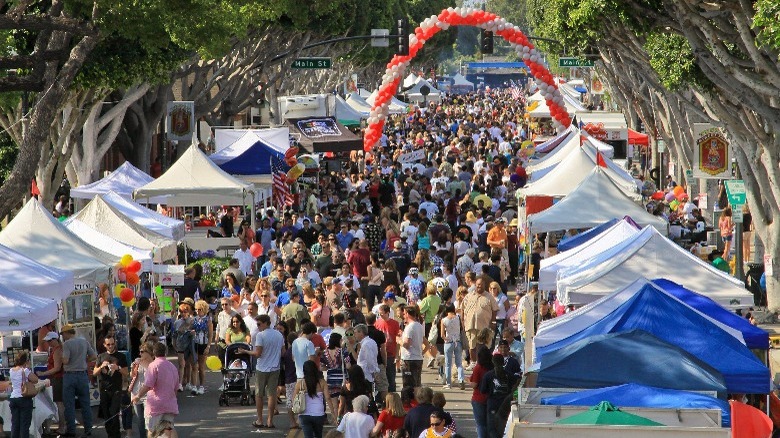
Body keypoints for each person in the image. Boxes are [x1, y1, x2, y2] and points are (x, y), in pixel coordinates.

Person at [237, 314, 284, 429]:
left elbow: (258, 353)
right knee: (272, 394)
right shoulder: (279, 334)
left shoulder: (260, 335)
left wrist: (246, 351)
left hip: (262, 368)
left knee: (259, 394)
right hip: (275, 367)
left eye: (259, 324)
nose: (257, 326)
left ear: (265, 323)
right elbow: (283, 352)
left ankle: (260, 419)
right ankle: (270, 420)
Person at [131, 342, 179, 436]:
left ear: (154, 352)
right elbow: (176, 387)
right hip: (170, 404)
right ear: (165, 352)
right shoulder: (172, 367)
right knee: (169, 429)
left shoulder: (153, 366)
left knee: (152, 431)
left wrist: (138, 396)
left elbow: (148, 385)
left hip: (155, 405)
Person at [61, 323, 97, 437]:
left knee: (69, 404)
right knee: (85, 403)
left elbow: (66, 361)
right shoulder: (84, 342)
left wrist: (63, 359)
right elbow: (94, 356)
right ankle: (88, 428)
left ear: (67, 333)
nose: (63, 336)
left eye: (63, 334)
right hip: (82, 374)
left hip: (70, 375)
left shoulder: (66, 344)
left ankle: (71, 430)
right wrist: (84, 360)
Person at [293, 360, 338, 438]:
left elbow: (294, 398)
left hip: (304, 414)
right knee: (318, 435)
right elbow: (327, 398)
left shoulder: (300, 383)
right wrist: (333, 413)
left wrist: (296, 413)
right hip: (319, 414)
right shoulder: (322, 382)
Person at [480, 353, 518, 437]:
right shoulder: (509, 375)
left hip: (492, 404)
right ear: (503, 362)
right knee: (503, 427)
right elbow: (516, 386)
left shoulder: (488, 375)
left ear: (493, 362)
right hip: (505, 404)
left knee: (492, 428)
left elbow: (483, 390)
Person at [35, 331, 65, 433]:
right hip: (57, 378)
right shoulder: (57, 349)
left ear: (54, 340)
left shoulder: (57, 351)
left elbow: (57, 368)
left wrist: (43, 374)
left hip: (58, 378)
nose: (48, 343)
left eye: (49, 341)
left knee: (60, 404)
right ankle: (62, 426)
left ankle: (62, 427)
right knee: (60, 403)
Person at [9, 351, 40, 438]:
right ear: (26, 361)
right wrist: (28, 368)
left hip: (13, 397)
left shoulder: (11, 370)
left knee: (15, 424)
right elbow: (35, 380)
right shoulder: (25, 370)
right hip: (23, 397)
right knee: (24, 425)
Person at [129, 342, 154, 438]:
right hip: (135, 393)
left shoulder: (153, 364)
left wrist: (143, 364)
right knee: (139, 420)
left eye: (142, 352)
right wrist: (132, 368)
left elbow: (152, 376)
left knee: (148, 420)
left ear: (149, 352)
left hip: (147, 395)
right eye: (140, 352)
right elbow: (132, 376)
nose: (140, 354)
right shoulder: (138, 362)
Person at [375, 304, 401, 393]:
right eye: (379, 314)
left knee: (391, 377)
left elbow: (397, 340)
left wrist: (397, 355)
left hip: (390, 354)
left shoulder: (395, 324)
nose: (380, 315)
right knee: (380, 378)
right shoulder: (377, 323)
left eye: (382, 314)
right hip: (380, 354)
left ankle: (392, 396)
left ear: (388, 313)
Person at [469, 348, 493, 438]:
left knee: (480, 424)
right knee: (489, 424)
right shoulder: (493, 367)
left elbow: (474, 384)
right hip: (491, 398)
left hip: (478, 398)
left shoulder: (478, 368)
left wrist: (468, 381)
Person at [440, 304, 464, 390]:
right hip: (457, 342)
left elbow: (442, 335)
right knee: (459, 363)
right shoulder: (458, 317)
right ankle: (461, 380)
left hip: (448, 342)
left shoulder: (444, 320)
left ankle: (448, 383)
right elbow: (462, 328)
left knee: (448, 364)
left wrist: (446, 338)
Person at [173, 301, 196, 393]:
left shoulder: (192, 321)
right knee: (181, 364)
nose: (183, 313)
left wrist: (193, 333)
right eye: (181, 311)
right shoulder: (177, 322)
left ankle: (190, 383)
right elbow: (174, 335)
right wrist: (174, 345)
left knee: (190, 364)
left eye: (185, 311)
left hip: (190, 345)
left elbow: (196, 333)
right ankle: (180, 384)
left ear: (188, 311)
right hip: (180, 345)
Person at [192, 300, 213, 395]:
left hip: (203, 344)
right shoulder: (194, 319)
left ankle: (201, 386)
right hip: (194, 343)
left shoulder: (208, 320)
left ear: (204, 310)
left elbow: (210, 335)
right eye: (196, 309)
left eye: (199, 309)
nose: (197, 311)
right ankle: (194, 385)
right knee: (194, 366)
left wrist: (208, 346)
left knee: (201, 366)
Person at [401, 306, 425, 390]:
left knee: (408, 385)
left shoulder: (410, 327)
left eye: (404, 313)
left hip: (409, 359)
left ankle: (408, 401)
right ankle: (417, 400)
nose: (403, 315)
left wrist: (399, 341)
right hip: (418, 358)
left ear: (407, 314)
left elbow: (407, 344)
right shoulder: (419, 325)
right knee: (417, 384)